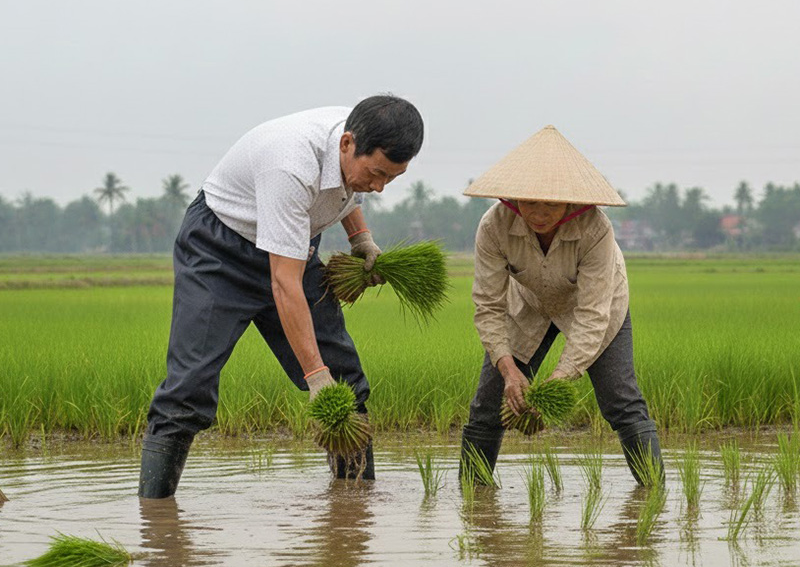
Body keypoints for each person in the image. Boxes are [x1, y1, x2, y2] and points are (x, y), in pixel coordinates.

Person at [139, 95, 424, 498]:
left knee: (345, 378)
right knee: (189, 389)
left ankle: (353, 511)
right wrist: (315, 377)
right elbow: (284, 285)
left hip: (293, 243)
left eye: (391, 179)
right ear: (347, 144)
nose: (378, 188)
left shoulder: (359, 133)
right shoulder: (290, 164)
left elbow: (343, 191)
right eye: (377, 173)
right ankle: (155, 520)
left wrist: (361, 238)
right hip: (220, 253)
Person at [461, 125, 662, 485]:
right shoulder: (494, 225)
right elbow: (489, 304)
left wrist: (556, 381)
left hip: (597, 308)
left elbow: (592, 315)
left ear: (569, 202)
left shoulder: (595, 229)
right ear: (513, 198)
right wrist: (508, 370)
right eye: (529, 202)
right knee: (487, 405)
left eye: (550, 203)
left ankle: (653, 493)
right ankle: (474, 501)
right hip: (529, 307)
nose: (538, 213)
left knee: (622, 400)